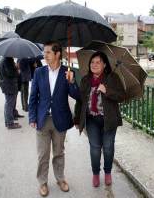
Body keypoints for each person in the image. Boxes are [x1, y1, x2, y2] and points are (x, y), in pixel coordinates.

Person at [28, 41, 80, 197]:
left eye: (48, 52)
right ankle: (42, 182)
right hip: (42, 119)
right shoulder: (39, 72)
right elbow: (33, 97)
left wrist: (71, 82)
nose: (45, 55)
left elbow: (77, 96)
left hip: (60, 119)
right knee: (42, 154)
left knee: (59, 152)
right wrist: (32, 117)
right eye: (44, 52)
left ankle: (60, 178)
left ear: (57, 54)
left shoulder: (68, 72)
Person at [74, 51, 126, 187]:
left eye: (98, 62)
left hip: (109, 120)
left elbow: (122, 96)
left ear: (104, 65)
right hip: (92, 120)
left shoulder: (112, 78)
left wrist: (106, 90)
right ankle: (96, 173)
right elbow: (80, 100)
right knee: (95, 148)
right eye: (92, 62)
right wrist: (77, 118)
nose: (94, 65)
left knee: (108, 148)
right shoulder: (86, 80)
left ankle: (107, 172)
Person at [0, 57, 22, 129]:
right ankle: (10, 123)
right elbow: (10, 73)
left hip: (8, 85)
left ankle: (12, 117)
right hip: (9, 85)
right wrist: (17, 69)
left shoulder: (5, 59)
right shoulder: (7, 60)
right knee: (9, 104)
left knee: (10, 103)